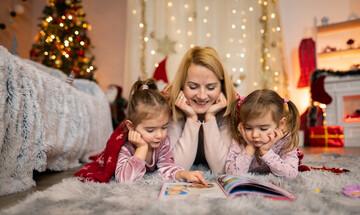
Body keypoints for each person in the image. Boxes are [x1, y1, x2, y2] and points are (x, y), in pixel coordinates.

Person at [115, 78, 207, 185]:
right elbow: (124, 180)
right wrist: (141, 148)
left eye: (164, 127)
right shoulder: (127, 147)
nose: (159, 135)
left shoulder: (163, 143)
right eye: (150, 130)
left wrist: (184, 174)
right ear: (131, 126)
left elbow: (166, 167)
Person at [163, 46, 237, 174]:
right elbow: (177, 167)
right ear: (182, 86)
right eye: (193, 87)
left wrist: (210, 117)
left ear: (221, 87)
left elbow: (221, 169)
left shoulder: (226, 110)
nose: (202, 96)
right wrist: (191, 118)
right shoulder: (172, 108)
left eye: (211, 87)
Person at [226, 89, 300, 179]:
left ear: (280, 124)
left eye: (263, 128)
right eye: (248, 127)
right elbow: (232, 173)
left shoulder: (285, 140)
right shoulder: (241, 137)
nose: (254, 135)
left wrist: (266, 152)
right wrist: (249, 147)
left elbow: (291, 174)